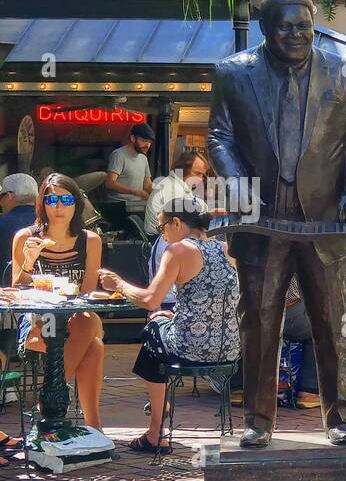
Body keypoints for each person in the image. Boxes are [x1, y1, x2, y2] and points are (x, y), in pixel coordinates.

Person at [207, 0, 346, 448]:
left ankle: (341, 417)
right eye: (287, 26)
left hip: (324, 223)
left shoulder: (341, 71)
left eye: (304, 26)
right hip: (262, 222)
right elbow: (218, 136)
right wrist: (235, 180)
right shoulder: (232, 73)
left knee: (333, 321)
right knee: (259, 322)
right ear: (266, 28)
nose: (297, 34)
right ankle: (258, 421)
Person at [98, 196, 238, 454]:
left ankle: (156, 428)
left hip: (191, 348)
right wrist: (174, 318)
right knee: (160, 323)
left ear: (176, 222)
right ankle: (158, 413)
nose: (162, 236)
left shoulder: (179, 250)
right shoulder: (225, 249)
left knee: (152, 328)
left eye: (162, 228)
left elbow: (150, 299)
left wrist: (118, 283)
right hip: (227, 349)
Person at [10, 174, 106, 430]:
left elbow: (86, 296)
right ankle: (92, 426)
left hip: (76, 320)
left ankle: (51, 397)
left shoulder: (90, 241)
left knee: (87, 324)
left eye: (66, 199)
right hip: (39, 321)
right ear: (42, 204)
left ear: (77, 203)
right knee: (93, 343)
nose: (59, 206)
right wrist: (29, 261)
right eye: (52, 199)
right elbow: (16, 291)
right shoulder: (25, 237)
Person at [146, 150, 209, 309]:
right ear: (183, 169)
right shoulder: (172, 190)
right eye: (197, 173)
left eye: (203, 175)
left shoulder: (178, 188)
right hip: (164, 243)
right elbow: (185, 229)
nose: (200, 179)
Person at [104, 122, 155, 213]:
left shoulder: (143, 158)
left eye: (149, 142)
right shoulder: (119, 155)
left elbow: (147, 184)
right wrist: (135, 192)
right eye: (143, 141)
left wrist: (160, 194)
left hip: (136, 204)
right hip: (118, 204)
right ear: (132, 138)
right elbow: (110, 183)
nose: (147, 145)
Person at [0, 173, 38, 277]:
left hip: (6, 290)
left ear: (9, 195)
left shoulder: (2, 223)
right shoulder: (49, 222)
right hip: (45, 286)